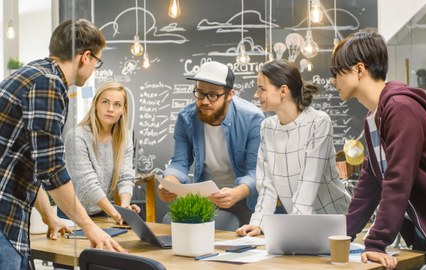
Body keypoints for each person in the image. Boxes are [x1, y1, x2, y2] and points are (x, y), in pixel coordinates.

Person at [330, 28, 426, 270]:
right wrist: (340, 236)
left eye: (336, 72)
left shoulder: (400, 108)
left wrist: (376, 243)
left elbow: (398, 178)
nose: (333, 81)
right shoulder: (374, 117)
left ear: (359, 69)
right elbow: (371, 183)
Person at [0, 19, 125, 269]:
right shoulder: (48, 83)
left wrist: (51, 217)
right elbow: (51, 169)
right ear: (85, 57)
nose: (93, 69)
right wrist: (90, 227)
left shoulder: (36, 73)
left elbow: (31, 164)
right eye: (96, 62)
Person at [235, 59, 351, 237]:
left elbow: (309, 182)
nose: (256, 95)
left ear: (283, 90)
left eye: (262, 88)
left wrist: (294, 227)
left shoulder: (318, 122)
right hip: (299, 225)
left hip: (334, 222)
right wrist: (258, 223)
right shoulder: (267, 127)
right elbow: (267, 185)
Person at [157, 61, 264, 225]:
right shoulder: (186, 118)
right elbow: (179, 162)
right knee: (169, 223)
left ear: (230, 95)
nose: (204, 101)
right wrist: (169, 183)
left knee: (228, 229)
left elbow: (254, 171)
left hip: (242, 199)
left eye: (213, 95)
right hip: (205, 197)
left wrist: (236, 193)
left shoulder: (252, 119)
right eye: (200, 93)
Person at [62, 82, 140, 224]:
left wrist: (125, 209)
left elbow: (126, 176)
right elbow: (87, 184)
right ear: (96, 104)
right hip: (69, 215)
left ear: (123, 109)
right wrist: (117, 214)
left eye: (117, 104)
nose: (110, 109)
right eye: (105, 102)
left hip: (100, 212)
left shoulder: (126, 138)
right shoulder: (76, 136)